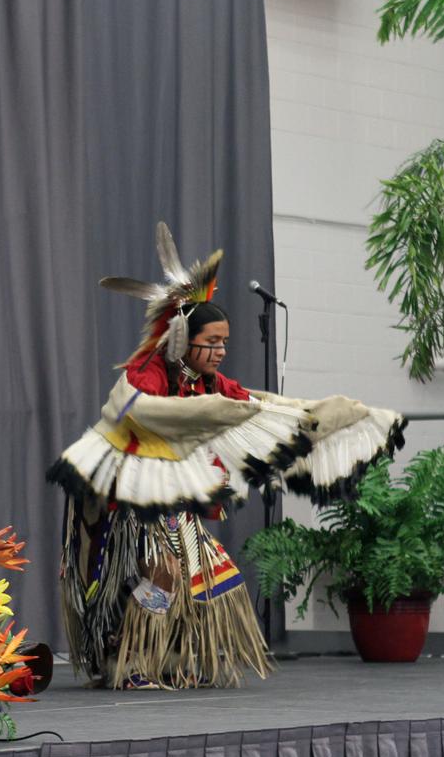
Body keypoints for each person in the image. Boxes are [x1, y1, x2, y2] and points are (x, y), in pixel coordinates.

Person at [48, 223, 405, 690]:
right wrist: (205, 412)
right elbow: (128, 407)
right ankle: (126, 658)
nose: (219, 352)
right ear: (180, 338)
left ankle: (165, 657)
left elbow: (260, 406)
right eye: (211, 342)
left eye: (224, 343)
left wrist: (327, 414)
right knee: (163, 569)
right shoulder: (149, 373)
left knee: (205, 576)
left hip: (169, 496)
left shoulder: (210, 384)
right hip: (119, 496)